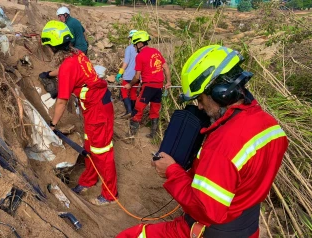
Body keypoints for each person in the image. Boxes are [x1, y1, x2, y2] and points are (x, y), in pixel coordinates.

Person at [117, 45, 288, 238]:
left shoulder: (223, 145)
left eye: (200, 98)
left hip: (208, 230)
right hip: (247, 229)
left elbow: (206, 210)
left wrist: (172, 171)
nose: (199, 105)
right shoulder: (271, 126)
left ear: (220, 92)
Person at [39, 20, 118, 206]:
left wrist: (53, 123)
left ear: (52, 46)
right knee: (90, 148)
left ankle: (110, 195)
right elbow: (65, 68)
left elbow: (61, 100)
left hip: (98, 110)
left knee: (103, 152)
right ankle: (88, 181)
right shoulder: (77, 54)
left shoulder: (67, 65)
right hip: (94, 109)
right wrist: (49, 74)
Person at [124, 31, 171, 138]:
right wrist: (168, 82)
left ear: (140, 44)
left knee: (138, 108)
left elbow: (137, 76)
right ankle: (153, 134)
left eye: (135, 44)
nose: (134, 47)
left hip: (148, 86)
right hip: (159, 86)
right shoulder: (156, 52)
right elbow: (166, 67)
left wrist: (130, 85)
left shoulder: (140, 56)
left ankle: (131, 134)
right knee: (155, 109)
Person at [115, 30, 139, 118]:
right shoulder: (141, 49)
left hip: (128, 75)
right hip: (137, 75)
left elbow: (126, 62)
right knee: (133, 93)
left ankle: (129, 111)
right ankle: (134, 112)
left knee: (124, 92)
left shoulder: (129, 48)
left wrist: (120, 73)